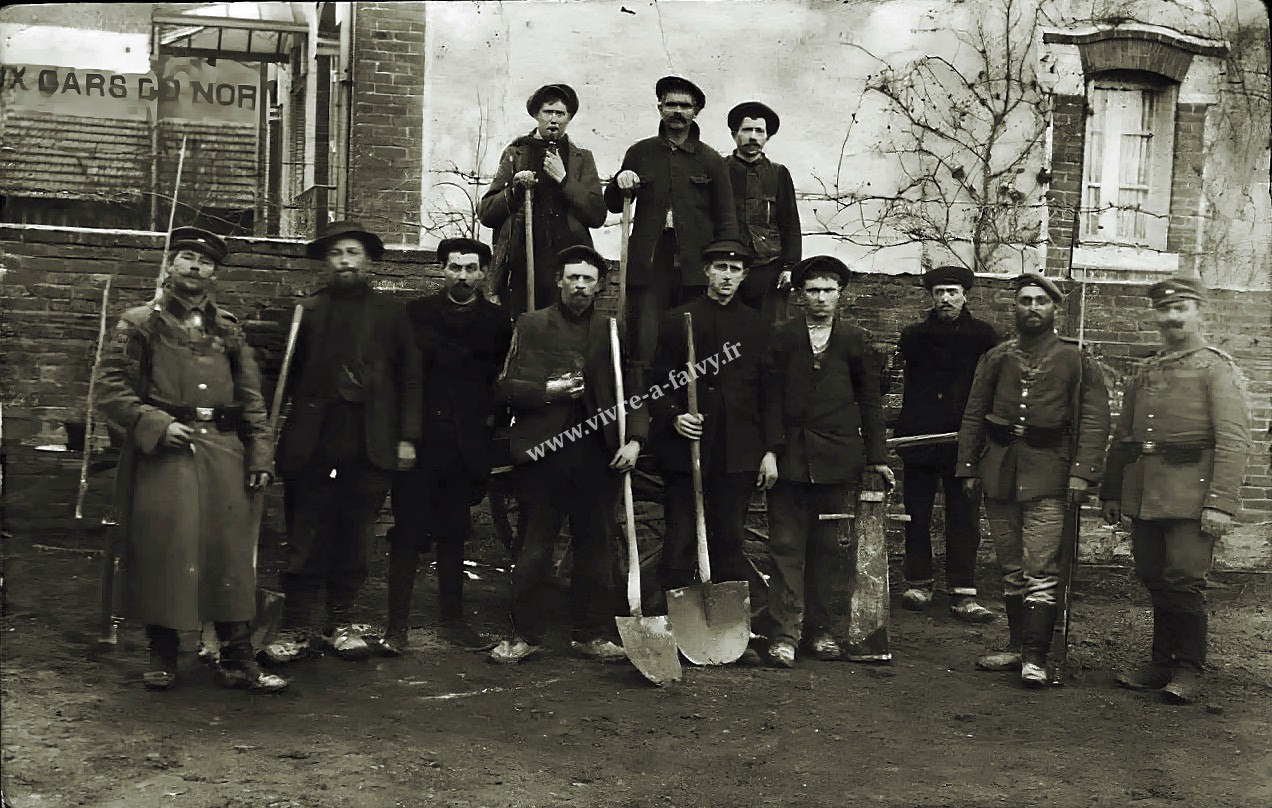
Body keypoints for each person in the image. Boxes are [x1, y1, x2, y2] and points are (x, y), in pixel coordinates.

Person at [95, 227, 287, 693]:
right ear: (169, 265)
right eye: (186, 258)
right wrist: (157, 425)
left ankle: (237, 659)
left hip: (223, 451)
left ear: (214, 273)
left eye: (205, 262)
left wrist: (260, 453)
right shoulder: (140, 322)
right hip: (167, 453)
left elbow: (250, 399)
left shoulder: (227, 327)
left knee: (229, 553)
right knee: (166, 547)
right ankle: (163, 654)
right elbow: (109, 388)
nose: (196, 267)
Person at [263, 221, 422, 665]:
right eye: (337, 254)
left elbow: (410, 380)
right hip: (313, 444)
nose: (346, 261)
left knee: (354, 537)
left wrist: (407, 438)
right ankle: (295, 627)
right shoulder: (305, 313)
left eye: (354, 253)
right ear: (327, 262)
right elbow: (283, 383)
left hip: (369, 444)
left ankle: (340, 624)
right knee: (304, 536)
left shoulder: (392, 314)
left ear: (368, 260)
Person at [487, 245, 647, 664]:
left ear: (598, 287)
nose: (579, 285)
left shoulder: (611, 331)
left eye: (588, 279)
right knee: (534, 549)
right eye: (572, 277)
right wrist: (547, 392)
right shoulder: (532, 324)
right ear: (559, 281)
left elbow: (634, 390)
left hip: (598, 455)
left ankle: (589, 634)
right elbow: (504, 386)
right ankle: (526, 635)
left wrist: (635, 441)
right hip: (544, 455)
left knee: (596, 549)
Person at [1101, 277, 1251, 704]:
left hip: (1191, 495)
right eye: (1165, 310)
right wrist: (1112, 491)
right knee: (1153, 577)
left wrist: (1220, 503)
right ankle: (1159, 662)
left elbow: (1234, 440)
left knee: (1184, 580)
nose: (1171, 317)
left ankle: (1188, 667)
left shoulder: (1216, 368)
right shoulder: (1148, 369)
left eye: (1181, 308)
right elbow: (1124, 435)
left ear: (1199, 311)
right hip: (1147, 493)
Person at [957, 274, 1110, 688]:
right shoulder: (996, 358)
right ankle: (1016, 645)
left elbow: (1095, 422)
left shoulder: (1076, 360)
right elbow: (974, 414)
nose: (1032, 308)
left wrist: (1082, 474)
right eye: (1024, 301)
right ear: (1015, 308)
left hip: (1051, 476)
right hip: (1000, 473)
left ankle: (1037, 657)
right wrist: (968, 468)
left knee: (1040, 567)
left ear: (1054, 309)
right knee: (1010, 567)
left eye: (1041, 301)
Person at [761, 256, 894, 667]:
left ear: (840, 295)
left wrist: (877, 458)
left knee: (826, 549)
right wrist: (768, 452)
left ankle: (819, 631)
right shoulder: (781, 337)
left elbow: (870, 402)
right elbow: (766, 402)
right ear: (801, 295)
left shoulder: (855, 340)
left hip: (837, 460)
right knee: (785, 546)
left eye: (828, 290)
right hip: (789, 460)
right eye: (812, 290)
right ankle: (784, 634)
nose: (820, 298)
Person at [382, 238, 513, 654]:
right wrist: (402, 438)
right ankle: (396, 626)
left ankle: (453, 622)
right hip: (418, 443)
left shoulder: (497, 322)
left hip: (464, 446)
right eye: (454, 267)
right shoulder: (415, 315)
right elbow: (398, 380)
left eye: (471, 268)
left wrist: (485, 446)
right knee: (406, 533)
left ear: (482, 273)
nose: (462, 276)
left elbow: (496, 386)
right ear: (441, 269)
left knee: (455, 534)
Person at [649, 240, 773, 606]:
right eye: (720, 268)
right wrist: (674, 416)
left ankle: (729, 621)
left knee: (730, 538)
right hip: (687, 448)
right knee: (681, 536)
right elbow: (655, 383)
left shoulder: (759, 327)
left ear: (744, 276)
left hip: (737, 450)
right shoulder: (678, 320)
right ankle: (671, 616)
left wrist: (768, 450)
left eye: (735, 270)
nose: (727, 276)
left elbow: (769, 395)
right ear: (707, 271)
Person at [604, 76, 739, 374]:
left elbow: (727, 217)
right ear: (660, 108)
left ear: (696, 112)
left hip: (695, 266)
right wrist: (620, 180)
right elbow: (613, 203)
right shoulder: (640, 153)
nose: (678, 111)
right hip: (650, 263)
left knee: (690, 342)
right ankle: (644, 412)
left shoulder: (711, 160)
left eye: (685, 106)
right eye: (671, 104)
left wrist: (724, 265)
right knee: (645, 343)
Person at [893, 265, 999, 622]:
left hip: (962, 442)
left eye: (952, 292)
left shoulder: (985, 337)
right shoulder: (913, 336)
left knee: (963, 515)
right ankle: (919, 581)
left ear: (965, 295)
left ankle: (963, 590)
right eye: (939, 293)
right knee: (917, 513)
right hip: (921, 439)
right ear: (931, 297)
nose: (946, 299)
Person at [477, 83, 607, 317]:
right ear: (537, 114)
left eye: (561, 113)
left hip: (567, 260)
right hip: (523, 256)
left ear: (569, 118)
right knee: (523, 322)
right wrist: (515, 190)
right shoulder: (516, 153)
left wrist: (564, 179)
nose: (554, 119)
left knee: (566, 324)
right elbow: (486, 212)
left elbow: (597, 214)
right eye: (548, 112)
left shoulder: (581, 158)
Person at [724, 101, 801, 323]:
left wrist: (790, 266)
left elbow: (790, 222)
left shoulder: (778, 174)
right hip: (730, 265)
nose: (753, 137)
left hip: (768, 267)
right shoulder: (720, 170)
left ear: (767, 137)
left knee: (768, 329)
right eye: (747, 130)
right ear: (734, 134)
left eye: (760, 131)